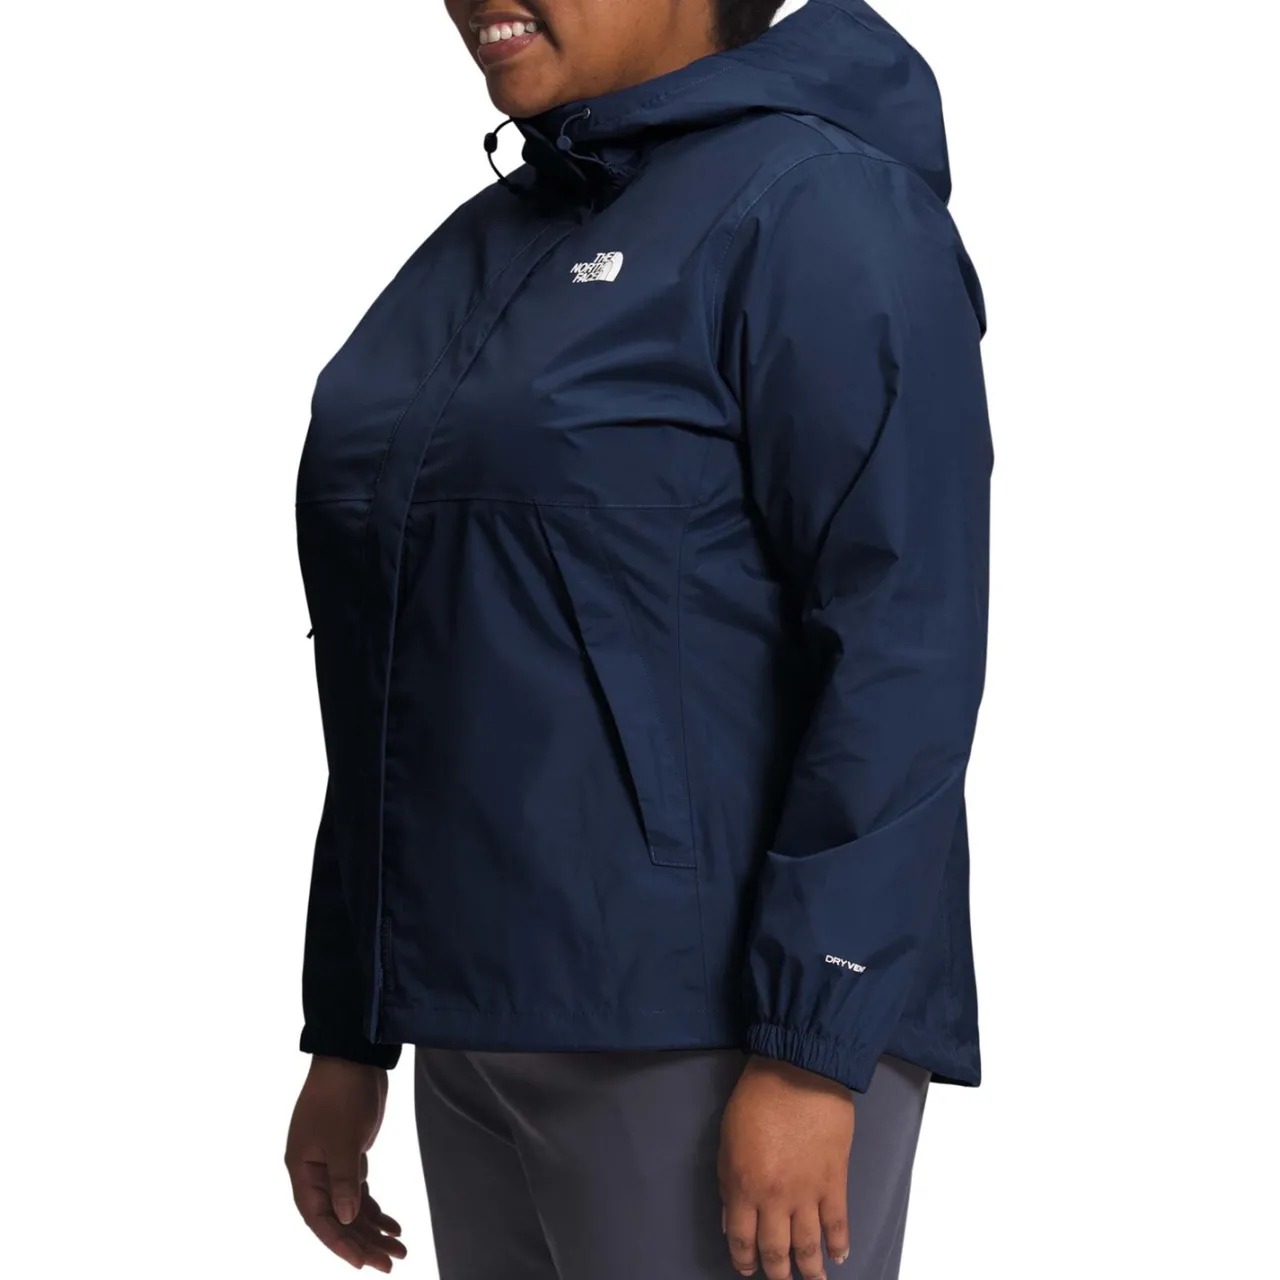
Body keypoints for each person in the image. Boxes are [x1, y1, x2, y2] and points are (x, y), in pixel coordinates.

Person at [283, 1, 992, 1277]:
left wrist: (811, 1043)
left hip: (710, 1033)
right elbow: (391, 657)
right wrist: (351, 1021)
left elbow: (902, 643)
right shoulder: (486, 243)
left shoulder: (819, 208)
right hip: (474, 1021)